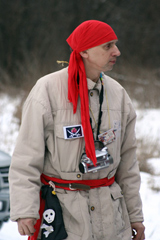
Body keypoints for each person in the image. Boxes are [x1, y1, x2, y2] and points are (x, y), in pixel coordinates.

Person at [9, 20, 145, 240]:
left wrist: (135, 215)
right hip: (65, 216)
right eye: (108, 46)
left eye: (115, 45)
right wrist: (25, 210)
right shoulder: (47, 90)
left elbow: (128, 163)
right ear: (84, 51)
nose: (117, 52)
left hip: (112, 219)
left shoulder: (118, 93)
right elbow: (26, 159)